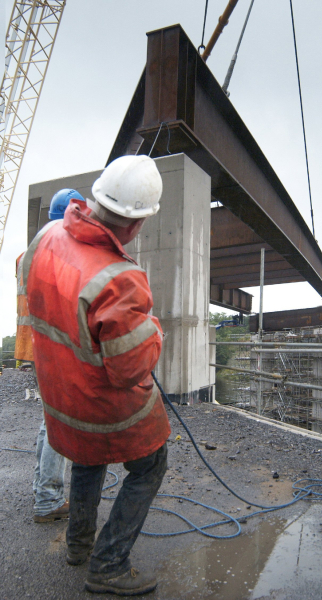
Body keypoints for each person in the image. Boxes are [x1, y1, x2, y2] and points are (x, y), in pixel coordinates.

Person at [23, 155, 171, 596]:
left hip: (59, 395)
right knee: (150, 465)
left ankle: (79, 544)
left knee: (87, 458)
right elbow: (130, 369)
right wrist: (153, 330)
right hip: (103, 404)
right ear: (137, 223)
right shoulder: (121, 279)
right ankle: (109, 564)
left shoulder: (47, 236)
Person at [15, 188, 85, 523]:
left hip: (35, 348)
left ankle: (46, 494)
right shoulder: (54, 250)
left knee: (50, 423)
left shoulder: (29, 251)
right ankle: (47, 499)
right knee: (57, 424)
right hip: (52, 350)